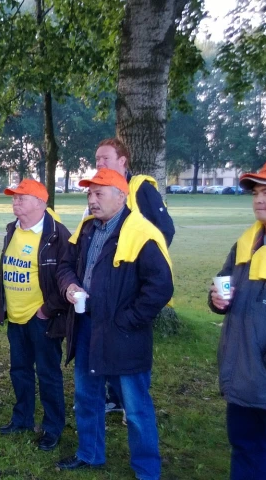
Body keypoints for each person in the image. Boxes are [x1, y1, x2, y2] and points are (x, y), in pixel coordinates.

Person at [55, 169, 173, 479]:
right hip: (87, 328)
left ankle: (147, 470)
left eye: (98, 194)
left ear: (120, 196)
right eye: (89, 194)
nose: (91, 200)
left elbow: (159, 288)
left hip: (124, 336)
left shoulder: (142, 234)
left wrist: (127, 320)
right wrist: (69, 286)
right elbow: (65, 265)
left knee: (135, 409)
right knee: (87, 397)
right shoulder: (86, 230)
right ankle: (90, 454)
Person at [208, 159, 266, 480]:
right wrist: (217, 300)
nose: (258, 199)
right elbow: (222, 282)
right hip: (242, 376)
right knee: (245, 449)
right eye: (256, 192)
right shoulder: (246, 241)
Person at [94, 137, 176, 415]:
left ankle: (131, 405)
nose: (99, 164)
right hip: (107, 285)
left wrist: (145, 264)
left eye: (105, 158)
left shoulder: (139, 188)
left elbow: (165, 230)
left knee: (130, 347)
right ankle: (116, 398)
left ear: (122, 161)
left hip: (133, 283)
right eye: (96, 160)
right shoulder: (99, 192)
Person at [0, 179, 71, 451]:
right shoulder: (12, 229)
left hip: (42, 320)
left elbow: (67, 277)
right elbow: (5, 269)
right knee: (20, 371)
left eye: (21, 198)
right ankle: (22, 419)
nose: (15, 202)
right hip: (14, 317)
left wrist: (47, 309)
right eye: (13, 198)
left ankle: (52, 428)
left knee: (48, 374)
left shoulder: (57, 235)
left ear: (40, 202)